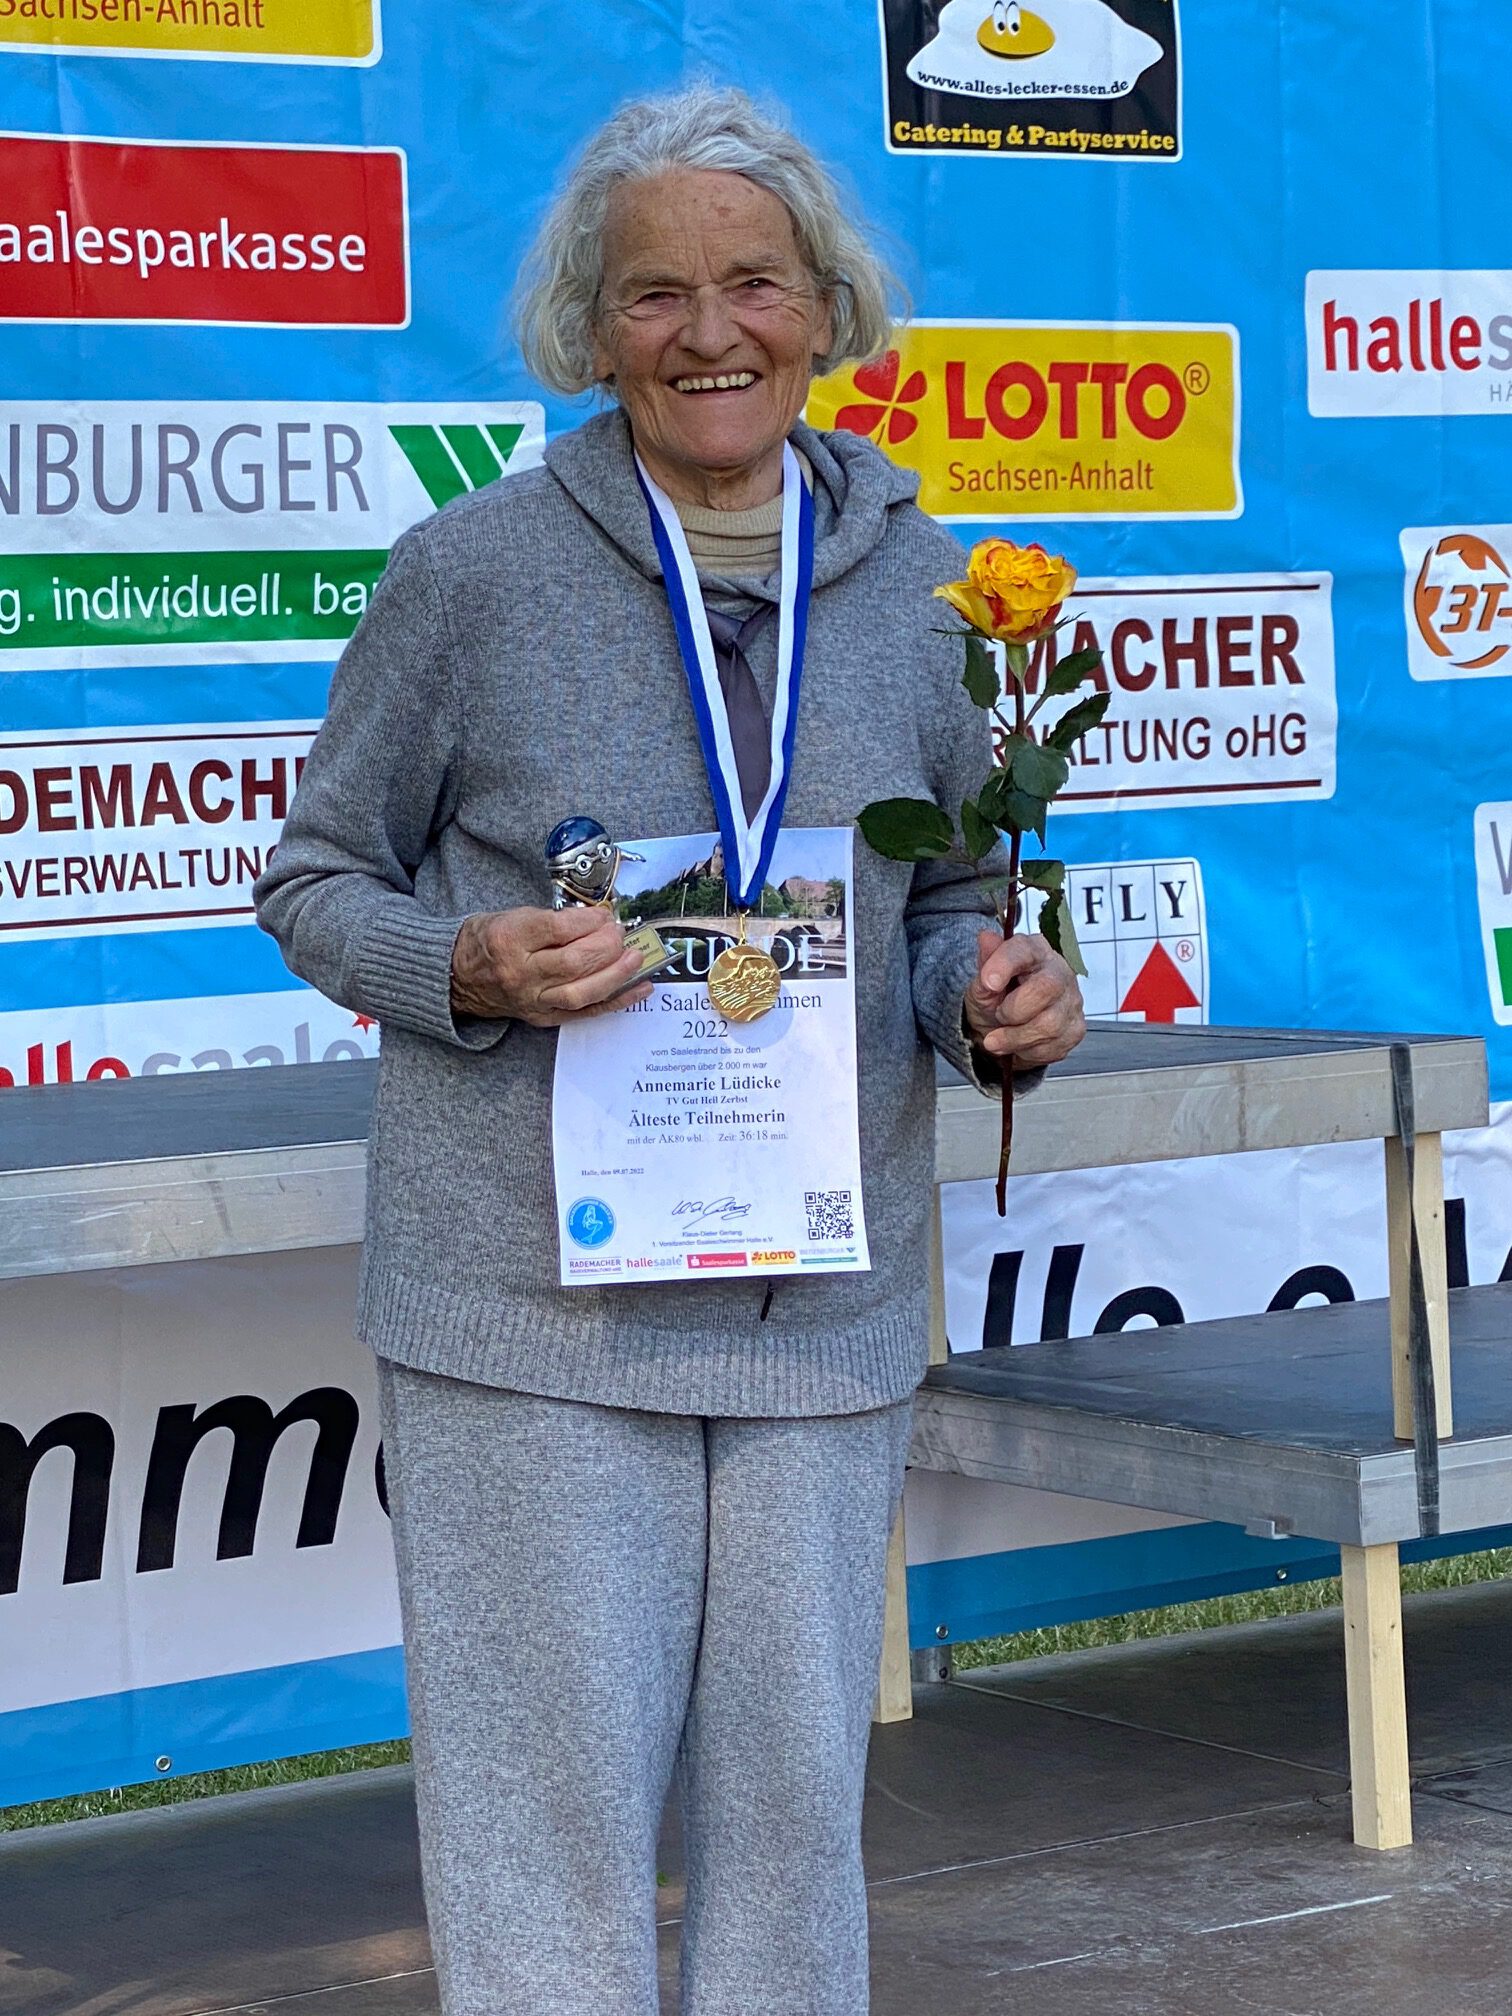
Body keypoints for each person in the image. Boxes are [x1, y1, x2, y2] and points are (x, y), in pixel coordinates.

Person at [254, 79, 1085, 2016]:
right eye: (654, 294)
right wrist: (467, 961)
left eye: (753, 283)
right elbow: (312, 877)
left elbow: (947, 896)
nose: (710, 333)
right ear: (588, 326)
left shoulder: (930, 595)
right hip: (531, 1321)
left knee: (794, 1841)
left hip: (817, 1307)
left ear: (829, 309)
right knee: (546, 1843)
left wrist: (990, 998)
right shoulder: (471, 575)